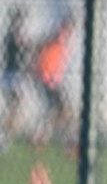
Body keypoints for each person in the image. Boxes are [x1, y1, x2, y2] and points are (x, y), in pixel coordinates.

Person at [31, 16, 75, 149]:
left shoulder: (64, 40)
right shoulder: (59, 36)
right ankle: (60, 139)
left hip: (53, 80)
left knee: (59, 111)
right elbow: (43, 44)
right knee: (62, 110)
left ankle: (43, 136)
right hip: (47, 79)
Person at [0, 6, 30, 152]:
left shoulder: (15, 34)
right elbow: (22, 46)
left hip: (14, 75)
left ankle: (4, 136)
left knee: (15, 109)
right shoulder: (12, 35)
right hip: (11, 75)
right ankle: (2, 136)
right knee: (14, 108)